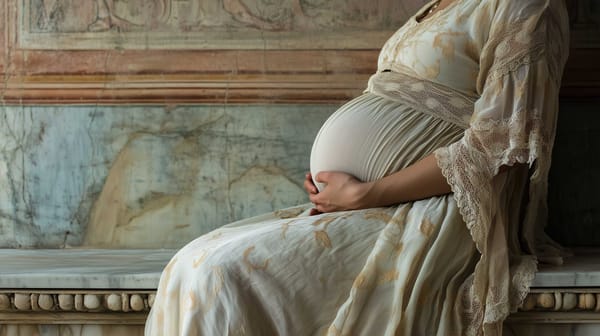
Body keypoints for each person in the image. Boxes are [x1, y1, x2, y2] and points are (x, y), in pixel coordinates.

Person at [145, 0, 570, 335]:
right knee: (189, 263)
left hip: (433, 214)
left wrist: (365, 192)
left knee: (217, 274)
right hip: (366, 207)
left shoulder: (526, 5)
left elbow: (499, 148)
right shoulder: (434, 8)